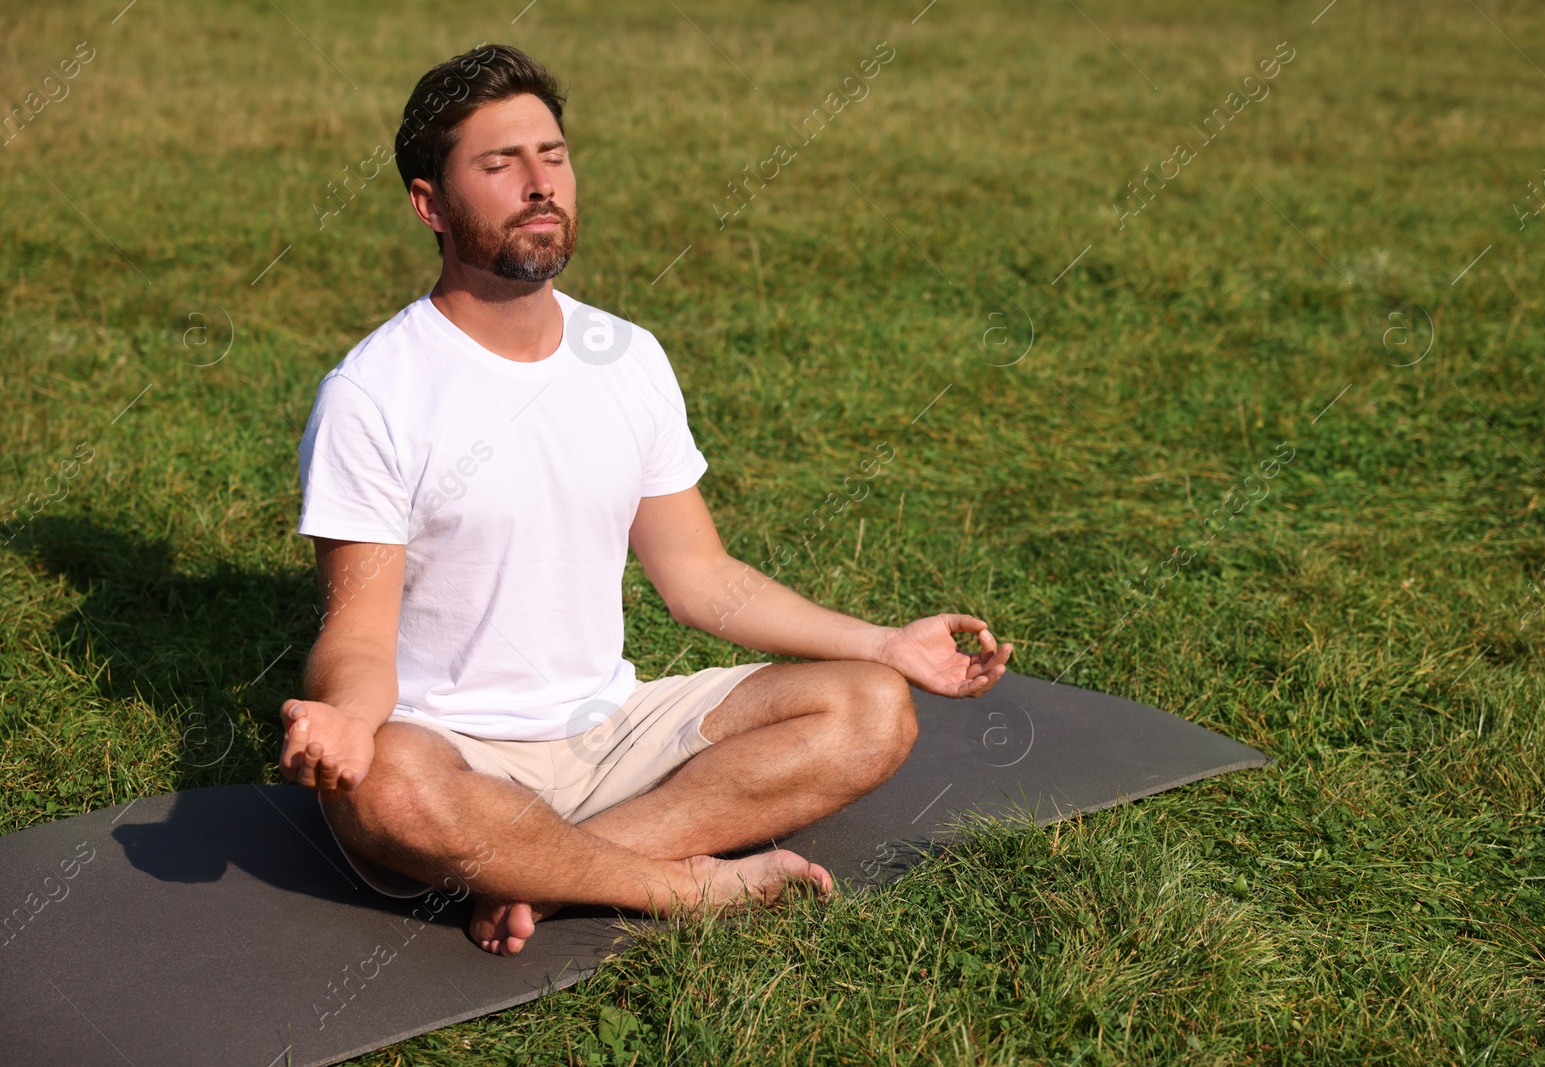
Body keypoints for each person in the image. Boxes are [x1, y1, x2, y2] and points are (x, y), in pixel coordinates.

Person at [279, 43, 1012, 957]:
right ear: (430, 203)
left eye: (552, 157)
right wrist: (348, 716)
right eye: (499, 165)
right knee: (384, 787)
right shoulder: (375, 392)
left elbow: (702, 580)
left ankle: (537, 875)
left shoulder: (624, 356)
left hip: (615, 732)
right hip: (456, 752)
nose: (539, 184)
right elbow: (356, 633)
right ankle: (677, 885)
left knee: (870, 709)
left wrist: (885, 642)